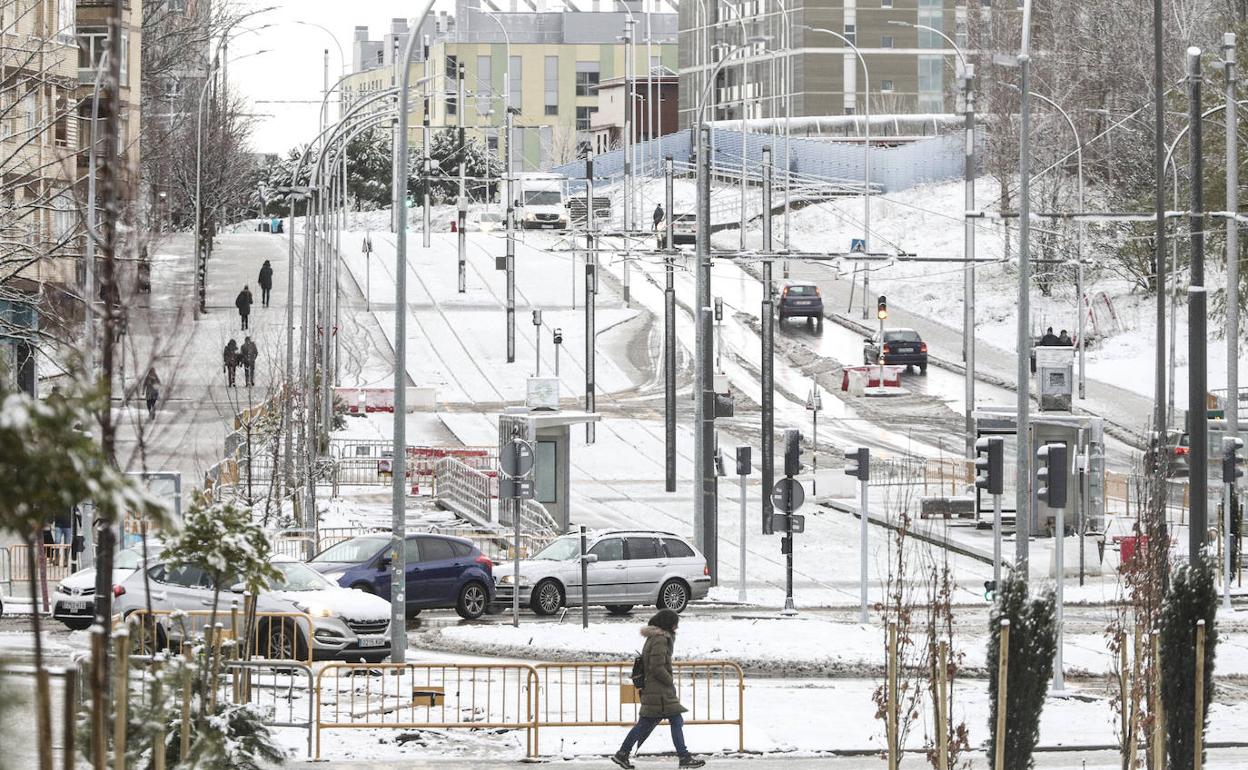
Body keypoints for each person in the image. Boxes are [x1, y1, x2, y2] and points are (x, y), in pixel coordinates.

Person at [612, 609, 705, 769]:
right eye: (675, 623)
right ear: (668, 623)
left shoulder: (653, 637)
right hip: (659, 691)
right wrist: (669, 680)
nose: (677, 626)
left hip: (656, 690)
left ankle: (623, 754)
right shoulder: (660, 639)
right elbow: (656, 666)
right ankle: (684, 757)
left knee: (663, 721)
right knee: (669, 721)